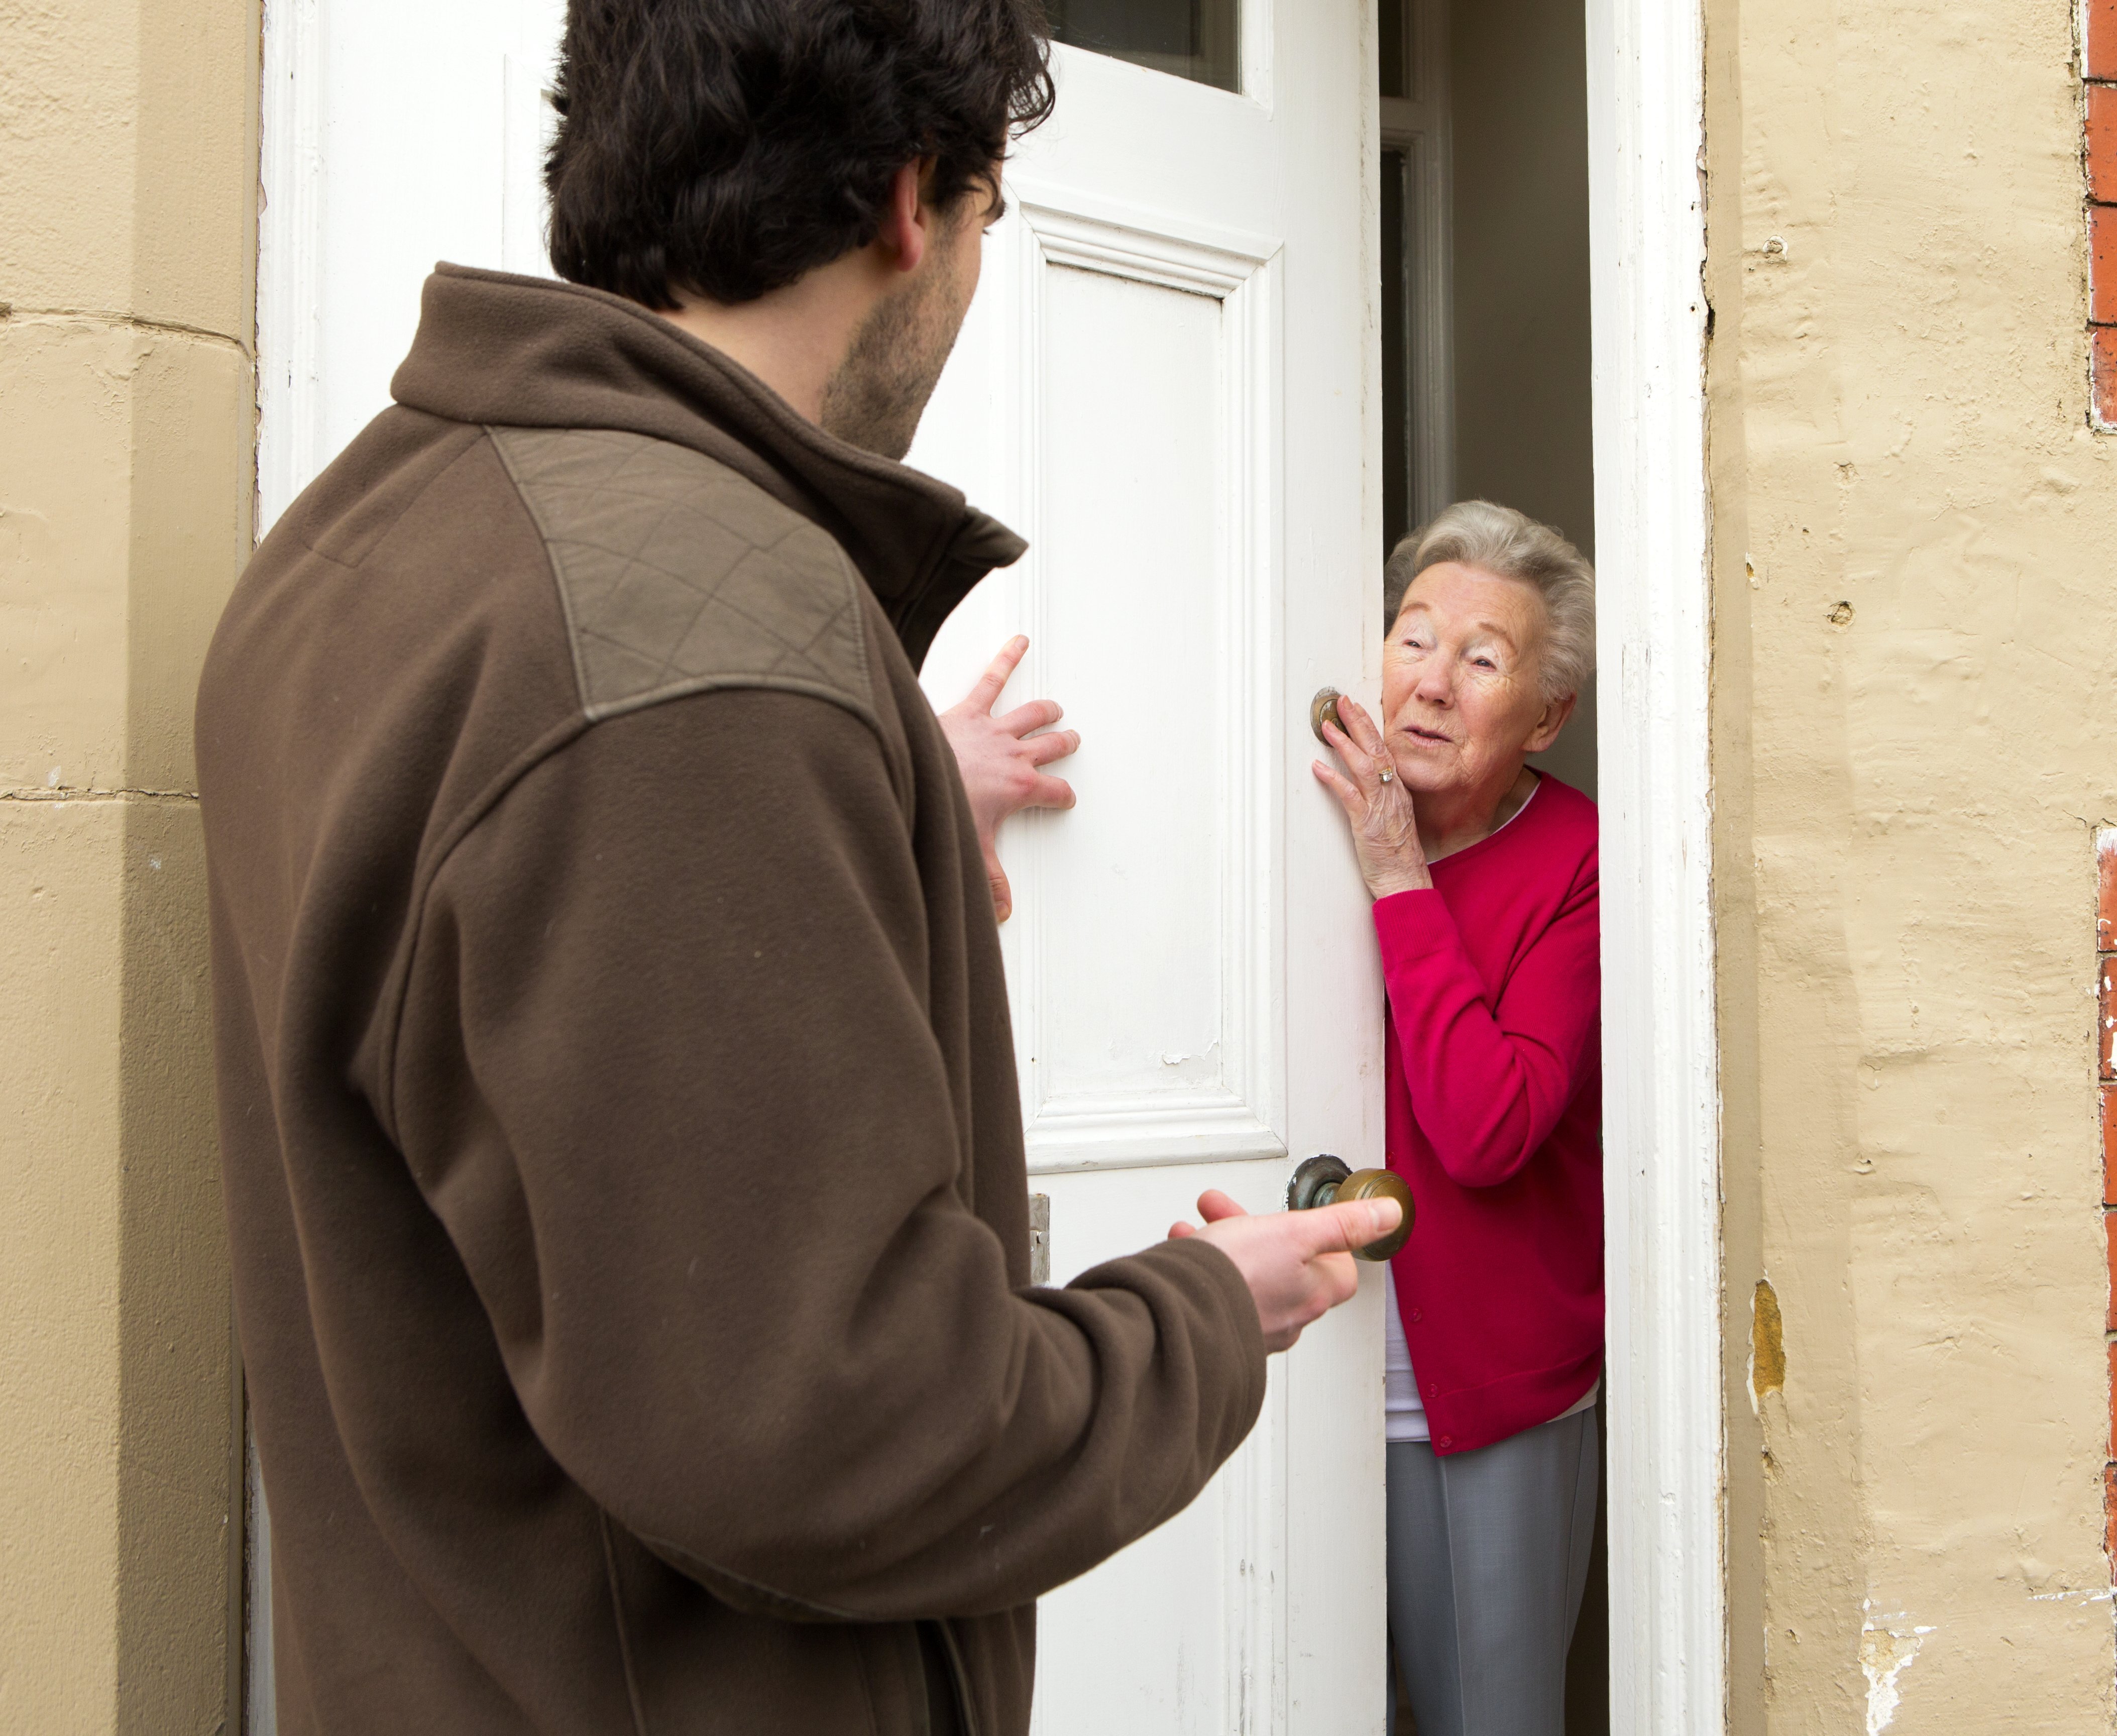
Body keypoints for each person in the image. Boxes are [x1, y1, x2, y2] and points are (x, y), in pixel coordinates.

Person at [193, 3, 1397, 1731]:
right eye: (989, 224)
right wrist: (1207, 1312)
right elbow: (842, 1425)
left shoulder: (365, 541)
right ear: (913, 204)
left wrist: (877, 802)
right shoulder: (702, 656)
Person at [1311, 501, 1604, 1736]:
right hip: (1296, 1364)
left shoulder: (1582, 860)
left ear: (1545, 715)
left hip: (1484, 1396)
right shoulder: (1296, 818)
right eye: (1412, 638)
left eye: (1480, 660)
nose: (1429, 684)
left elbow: (1491, 1129)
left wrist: (1397, 876)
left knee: (1491, 1718)